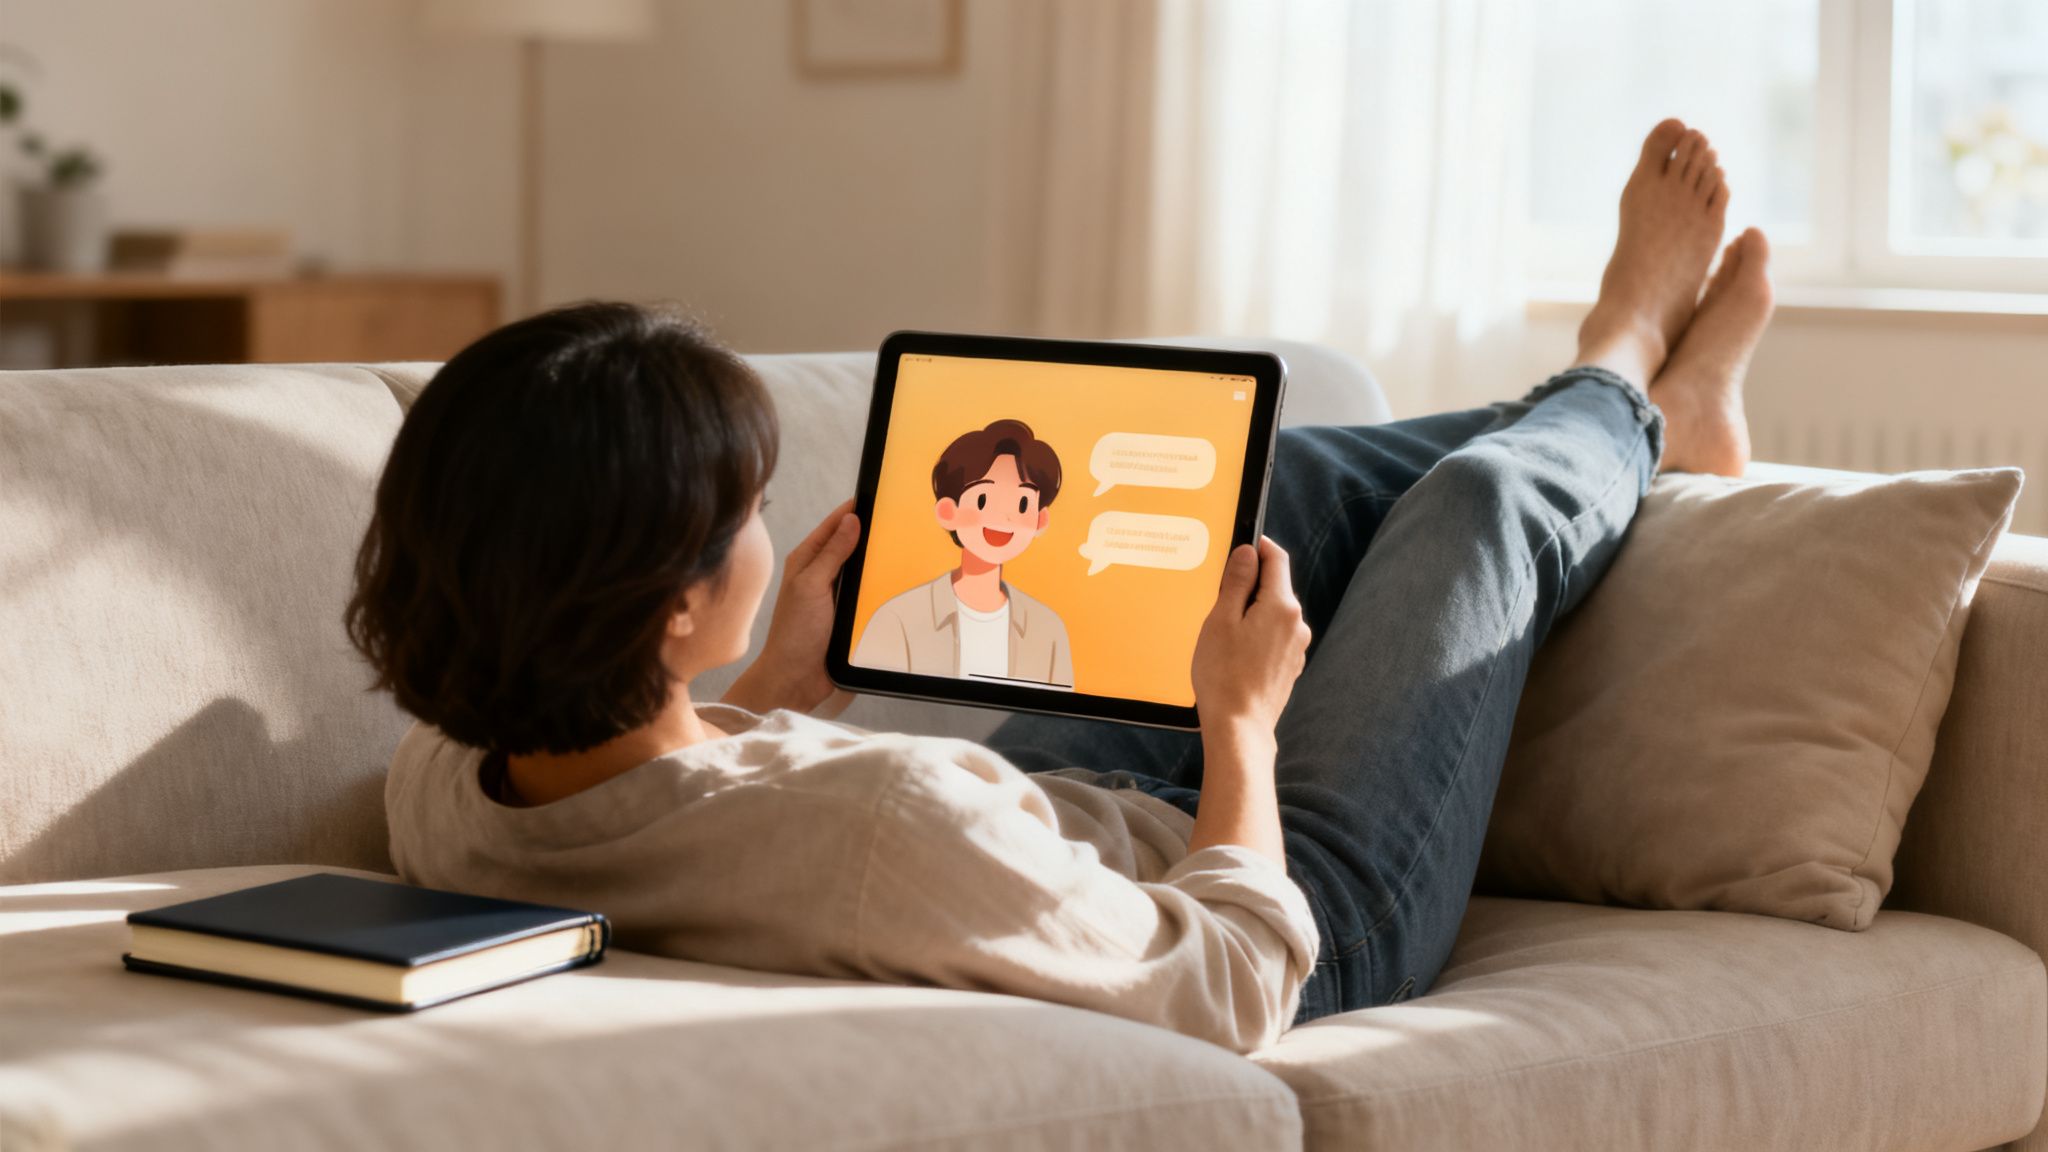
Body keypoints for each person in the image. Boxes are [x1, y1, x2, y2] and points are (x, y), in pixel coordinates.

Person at [350, 119, 1772, 1054]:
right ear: (666, 606)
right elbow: (1226, 982)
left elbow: (682, 825)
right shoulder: (888, 820)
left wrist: (777, 693)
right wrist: (1240, 728)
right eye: (736, 512)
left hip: (1062, 843)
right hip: (1297, 902)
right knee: (1475, 511)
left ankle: (1635, 418)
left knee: (1268, 493)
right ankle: (1626, 353)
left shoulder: (448, 783)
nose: (761, 527)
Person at [851, 418, 1074, 686]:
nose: (1004, 517)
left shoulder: (1049, 630)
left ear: (1040, 520)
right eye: (983, 499)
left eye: (1023, 503)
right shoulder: (898, 619)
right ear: (948, 512)